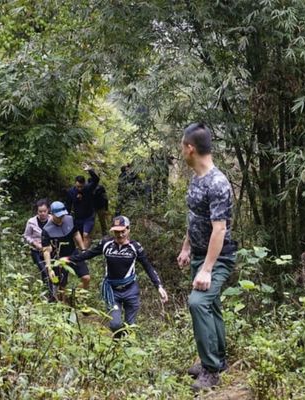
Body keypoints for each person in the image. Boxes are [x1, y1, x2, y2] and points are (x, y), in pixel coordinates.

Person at [176, 123, 237, 391]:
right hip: (199, 254)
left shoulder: (218, 183)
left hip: (218, 258)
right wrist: (186, 247)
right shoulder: (196, 178)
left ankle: (211, 370)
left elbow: (219, 228)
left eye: (182, 146)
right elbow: (195, 218)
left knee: (198, 303)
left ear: (190, 148)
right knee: (211, 307)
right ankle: (218, 359)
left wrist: (207, 269)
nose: (181, 151)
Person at [64, 215, 168, 334]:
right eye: (116, 232)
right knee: (115, 324)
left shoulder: (135, 247)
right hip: (112, 291)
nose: (120, 235)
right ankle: (117, 342)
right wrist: (69, 258)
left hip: (131, 291)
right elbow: (88, 254)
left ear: (128, 229)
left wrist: (159, 286)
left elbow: (148, 267)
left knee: (130, 326)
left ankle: (124, 347)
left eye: (122, 231)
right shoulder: (106, 244)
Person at [41, 201, 91, 301]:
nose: (61, 218)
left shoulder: (70, 219)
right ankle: (63, 306)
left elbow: (76, 234)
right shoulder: (46, 230)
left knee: (86, 278)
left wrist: (83, 249)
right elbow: (46, 250)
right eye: (58, 216)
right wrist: (49, 268)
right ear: (52, 214)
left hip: (73, 253)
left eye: (63, 215)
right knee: (61, 286)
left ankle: (74, 296)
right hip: (58, 258)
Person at [65, 166, 100, 249]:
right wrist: (66, 217)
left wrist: (90, 170)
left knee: (86, 234)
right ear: (75, 183)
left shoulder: (88, 188)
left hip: (89, 216)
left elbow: (96, 180)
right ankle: (80, 251)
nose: (79, 188)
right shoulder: (71, 192)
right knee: (78, 236)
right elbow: (68, 205)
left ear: (84, 184)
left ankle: (85, 255)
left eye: (81, 186)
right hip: (77, 218)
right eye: (78, 186)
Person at [23, 198, 50, 296]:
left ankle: (52, 290)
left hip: (50, 250)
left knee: (51, 270)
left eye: (44, 211)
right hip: (36, 251)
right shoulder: (31, 222)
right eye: (40, 211)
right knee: (44, 270)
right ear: (37, 211)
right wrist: (35, 243)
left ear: (48, 210)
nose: (42, 213)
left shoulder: (52, 220)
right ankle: (47, 292)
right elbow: (26, 236)